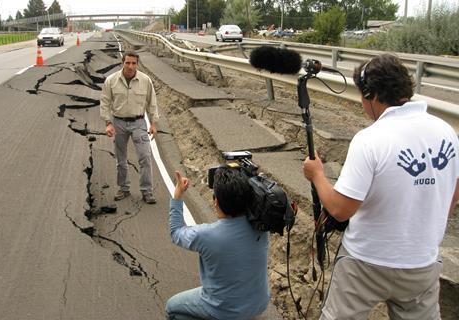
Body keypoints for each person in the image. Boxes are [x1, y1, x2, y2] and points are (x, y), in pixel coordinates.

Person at [303, 53, 459, 319]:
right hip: (422, 262)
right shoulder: (447, 132)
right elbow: (452, 193)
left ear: (372, 95)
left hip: (366, 262)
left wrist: (317, 175)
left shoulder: (370, 140)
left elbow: (341, 209)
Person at [166, 168, 270, 320]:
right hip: (258, 303)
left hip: (223, 309)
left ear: (216, 201)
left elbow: (176, 232)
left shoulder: (206, 235)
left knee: (171, 307)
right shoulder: (262, 226)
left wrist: (178, 195)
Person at [100, 51, 159, 204]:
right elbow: (105, 103)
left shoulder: (145, 81)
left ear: (137, 64)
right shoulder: (111, 80)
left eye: (133, 63)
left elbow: (152, 103)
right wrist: (108, 123)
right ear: (123, 62)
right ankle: (124, 188)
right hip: (118, 122)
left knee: (145, 157)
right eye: (128, 63)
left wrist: (153, 123)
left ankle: (147, 191)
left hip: (139, 122)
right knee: (121, 159)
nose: (130, 66)